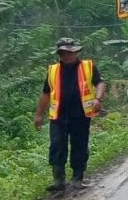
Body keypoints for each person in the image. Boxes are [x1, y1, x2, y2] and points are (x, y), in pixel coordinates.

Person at [34, 37, 106, 191]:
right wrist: (39, 115)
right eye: (62, 53)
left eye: (68, 52)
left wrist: (98, 99)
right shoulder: (53, 70)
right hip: (58, 116)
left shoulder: (88, 66)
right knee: (57, 146)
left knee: (79, 146)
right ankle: (58, 181)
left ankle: (77, 178)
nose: (65, 56)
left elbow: (100, 83)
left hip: (81, 115)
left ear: (75, 52)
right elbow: (46, 93)